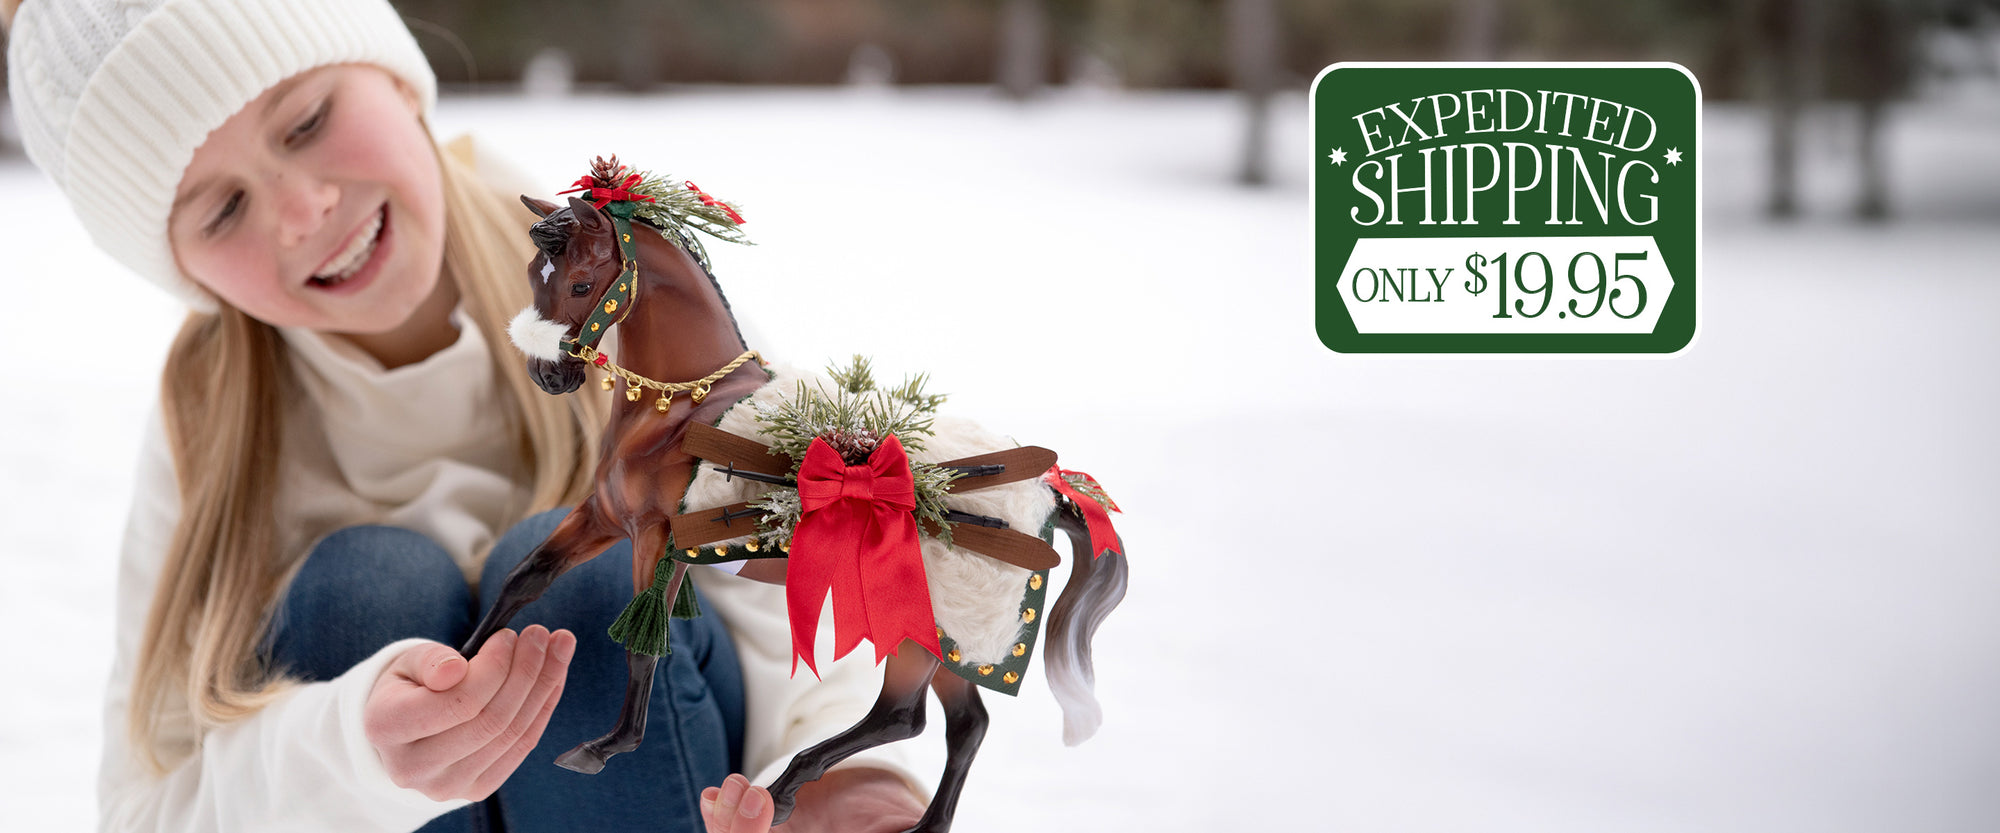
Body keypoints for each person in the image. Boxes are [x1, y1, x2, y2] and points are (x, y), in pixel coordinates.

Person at [2, 1, 927, 830]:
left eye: (309, 120)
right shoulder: (208, 420)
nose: (303, 209)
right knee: (363, 586)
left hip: (661, 780)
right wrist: (346, 752)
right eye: (224, 207)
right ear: (190, 275)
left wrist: (842, 779)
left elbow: (805, 575)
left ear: (398, 80)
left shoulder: (608, 281)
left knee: (581, 577)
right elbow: (143, 806)